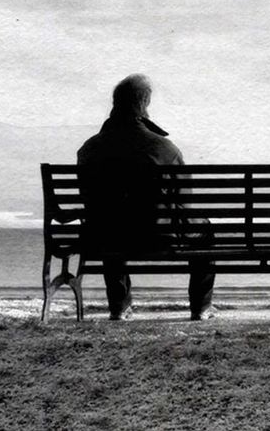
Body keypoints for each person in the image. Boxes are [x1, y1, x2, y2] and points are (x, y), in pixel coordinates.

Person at [77, 74, 215, 320]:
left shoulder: (90, 148)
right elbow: (185, 201)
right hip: (158, 234)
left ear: (115, 103)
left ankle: (119, 305)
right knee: (205, 230)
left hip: (107, 235)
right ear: (145, 104)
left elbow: (90, 200)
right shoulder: (164, 148)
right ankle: (201, 307)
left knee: (109, 223)